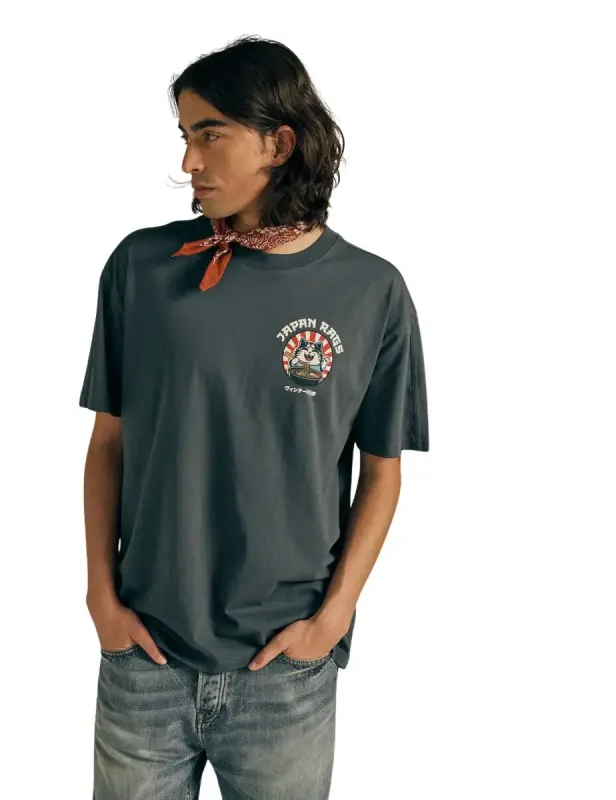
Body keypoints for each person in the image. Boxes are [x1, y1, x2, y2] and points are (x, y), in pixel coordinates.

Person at [79, 35, 429, 800]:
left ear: (280, 143)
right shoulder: (141, 268)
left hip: (284, 672)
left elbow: (382, 472)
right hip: (145, 659)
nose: (189, 162)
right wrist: (100, 597)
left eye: (210, 134)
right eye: (184, 136)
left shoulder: (370, 292)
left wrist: (332, 620)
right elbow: (109, 444)